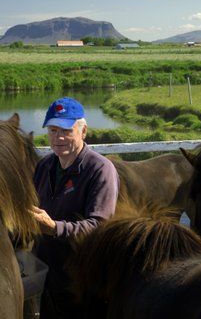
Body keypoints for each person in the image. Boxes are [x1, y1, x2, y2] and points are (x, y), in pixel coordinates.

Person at [31, 97, 119, 318]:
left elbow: (99, 227)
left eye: (65, 130)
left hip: (83, 282)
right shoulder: (45, 166)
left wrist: (54, 228)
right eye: (52, 130)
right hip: (48, 277)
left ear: (83, 131)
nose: (58, 137)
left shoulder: (100, 170)